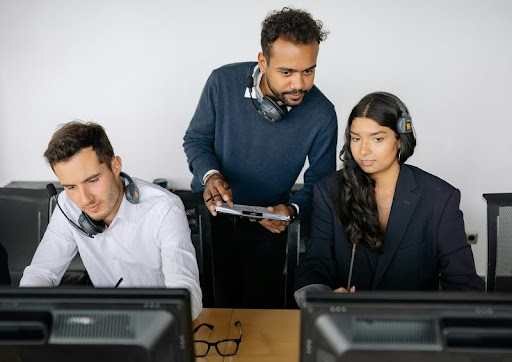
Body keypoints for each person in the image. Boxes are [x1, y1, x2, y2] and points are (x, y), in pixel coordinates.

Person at [183, 7, 337, 308]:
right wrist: (210, 175)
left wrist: (291, 211)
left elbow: (320, 182)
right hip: (211, 221)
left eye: (308, 70)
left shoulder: (322, 113)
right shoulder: (221, 82)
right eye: (286, 72)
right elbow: (196, 139)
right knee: (208, 310)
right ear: (263, 62)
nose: (299, 84)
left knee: (260, 316)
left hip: (269, 227)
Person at [294, 92, 485, 306]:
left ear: (400, 140)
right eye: (356, 138)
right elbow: (314, 264)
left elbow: (463, 283)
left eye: (377, 139)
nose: (363, 150)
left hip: (415, 327)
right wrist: (324, 297)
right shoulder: (328, 191)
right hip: (344, 323)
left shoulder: (439, 198)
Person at [20, 121, 202, 319]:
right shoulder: (67, 205)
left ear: (115, 166)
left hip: (159, 324)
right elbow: (40, 273)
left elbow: (188, 298)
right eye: (71, 187)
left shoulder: (164, 208)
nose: (84, 199)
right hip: (106, 324)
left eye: (92, 180)